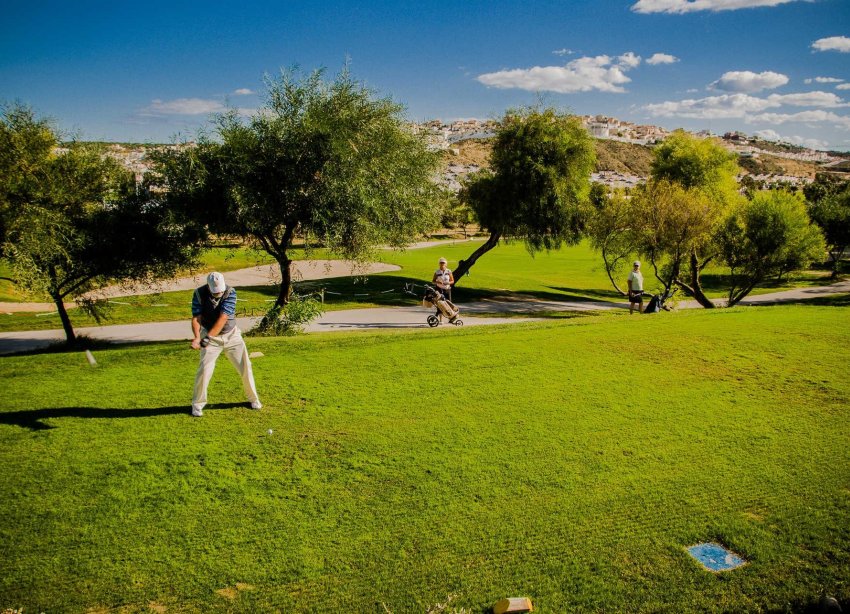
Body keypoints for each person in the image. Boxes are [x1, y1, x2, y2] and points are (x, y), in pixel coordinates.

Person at [190, 272, 261, 417]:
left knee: (245, 367)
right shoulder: (198, 293)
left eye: (221, 290)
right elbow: (197, 318)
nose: (219, 293)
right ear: (209, 287)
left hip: (231, 336)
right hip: (209, 336)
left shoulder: (230, 292)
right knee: (204, 370)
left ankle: (254, 399)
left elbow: (223, 318)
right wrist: (197, 337)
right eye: (216, 291)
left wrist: (207, 338)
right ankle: (197, 405)